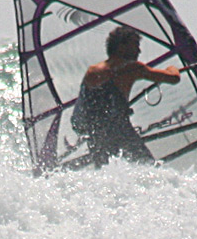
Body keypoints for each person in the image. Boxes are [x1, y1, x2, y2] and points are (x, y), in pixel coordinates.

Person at [70, 26, 181, 167]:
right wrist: (172, 67)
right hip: (120, 131)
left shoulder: (92, 72)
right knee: (149, 169)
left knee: (106, 173)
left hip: (96, 134)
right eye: (135, 45)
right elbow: (173, 78)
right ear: (121, 46)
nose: (139, 51)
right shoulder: (133, 69)